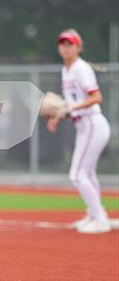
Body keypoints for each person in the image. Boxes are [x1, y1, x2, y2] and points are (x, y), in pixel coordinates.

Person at [47, 29, 111, 234]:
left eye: (70, 44)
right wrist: (59, 115)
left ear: (78, 47)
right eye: (62, 44)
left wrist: (70, 108)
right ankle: (95, 215)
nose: (66, 47)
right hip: (84, 125)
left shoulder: (81, 68)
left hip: (92, 123)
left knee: (77, 174)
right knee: (88, 172)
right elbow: (73, 102)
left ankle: (100, 219)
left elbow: (96, 97)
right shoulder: (66, 69)